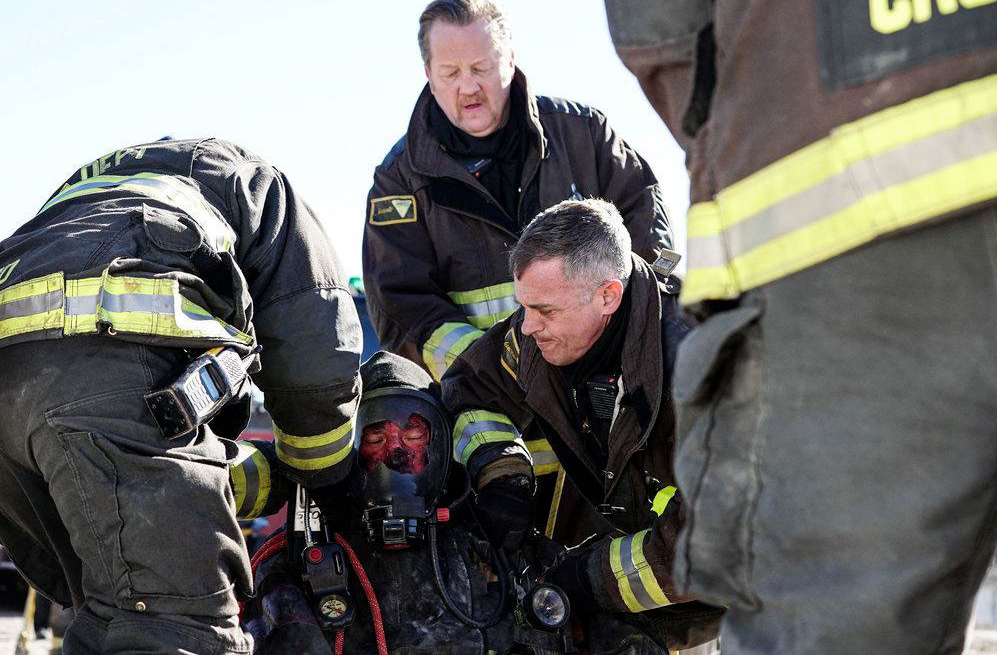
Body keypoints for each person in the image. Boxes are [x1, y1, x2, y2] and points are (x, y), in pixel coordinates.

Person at [602, 0, 997, 651]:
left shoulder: (652, 338)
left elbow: (660, 29)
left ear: (609, 292)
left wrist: (743, 114)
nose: (529, 326)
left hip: (832, 216)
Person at [0, 137, 362, 653]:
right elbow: (316, 352)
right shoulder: (255, 182)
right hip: (97, 373)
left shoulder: (86, 194)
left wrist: (258, 476)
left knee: (112, 621)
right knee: (177, 631)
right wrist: (326, 477)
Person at [240, 350, 672, 653]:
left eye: (413, 436)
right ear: (351, 448)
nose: (397, 454)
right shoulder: (311, 547)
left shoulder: (490, 538)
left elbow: (580, 601)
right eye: (376, 437)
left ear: (441, 446)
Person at [441, 199, 723, 650]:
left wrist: (589, 578)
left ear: (609, 294)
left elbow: (715, 541)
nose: (529, 326)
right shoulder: (534, 336)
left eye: (546, 311)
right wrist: (502, 473)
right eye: (525, 306)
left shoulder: (702, 367)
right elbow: (471, 388)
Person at [362, 0, 672, 383]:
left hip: (606, 395)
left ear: (510, 59)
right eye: (451, 73)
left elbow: (653, 246)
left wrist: (629, 338)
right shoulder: (399, 181)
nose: (469, 87)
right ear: (428, 72)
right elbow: (402, 310)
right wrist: (497, 366)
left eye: (482, 66)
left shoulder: (584, 136)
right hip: (491, 410)